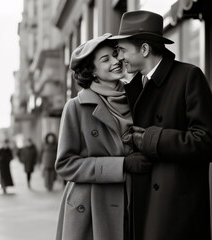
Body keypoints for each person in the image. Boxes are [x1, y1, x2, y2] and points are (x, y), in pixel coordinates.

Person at [110, 10, 212, 240]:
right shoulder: (133, 86)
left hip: (176, 210)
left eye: (122, 50)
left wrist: (152, 139)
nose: (118, 57)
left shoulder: (188, 76)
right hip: (143, 205)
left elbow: (209, 142)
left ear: (144, 49)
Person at [55, 33, 152, 240]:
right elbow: (65, 164)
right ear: (92, 72)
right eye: (105, 59)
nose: (116, 61)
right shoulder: (76, 107)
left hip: (135, 198)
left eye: (116, 54)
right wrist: (121, 165)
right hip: (92, 208)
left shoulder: (139, 97)